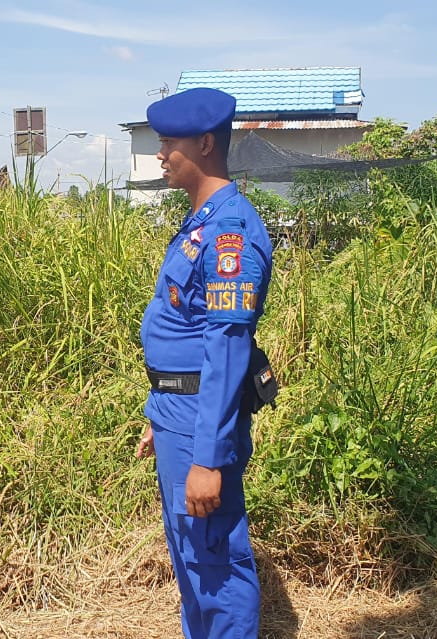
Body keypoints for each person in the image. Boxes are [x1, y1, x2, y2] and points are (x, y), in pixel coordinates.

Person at [135, 87, 274, 639]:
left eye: (170, 143)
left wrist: (208, 459)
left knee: (215, 561)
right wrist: (160, 411)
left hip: (200, 423)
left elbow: (225, 347)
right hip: (180, 413)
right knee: (191, 558)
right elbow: (187, 334)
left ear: (207, 143)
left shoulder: (229, 233)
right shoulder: (200, 224)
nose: (161, 154)